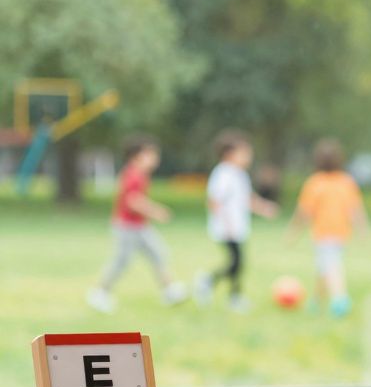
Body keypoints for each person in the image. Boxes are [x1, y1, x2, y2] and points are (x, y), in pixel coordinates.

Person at [87, 135, 188, 312]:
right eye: (151, 154)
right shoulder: (134, 175)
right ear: (136, 156)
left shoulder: (138, 174)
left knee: (157, 253)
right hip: (127, 226)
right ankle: (99, 293)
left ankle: (169, 290)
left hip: (139, 226)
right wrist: (156, 211)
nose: (155, 159)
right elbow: (133, 201)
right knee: (121, 261)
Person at [195, 130, 279, 312]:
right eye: (244, 153)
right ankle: (212, 283)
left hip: (238, 226)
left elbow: (247, 199)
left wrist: (265, 208)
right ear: (229, 154)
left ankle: (229, 294)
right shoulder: (223, 174)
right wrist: (226, 224)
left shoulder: (239, 174)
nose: (248, 157)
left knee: (237, 263)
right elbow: (214, 201)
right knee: (237, 262)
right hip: (227, 228)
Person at [287, 138, 368, 318]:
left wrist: (293, 233)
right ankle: (316, 301)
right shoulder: (346, 182)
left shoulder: (315, 183)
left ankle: (339, 298)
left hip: (323, 232)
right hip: (341, 232)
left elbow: (304, 213)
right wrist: (362, 230)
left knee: (331, 265)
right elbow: (356, 210)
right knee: (323, 266)